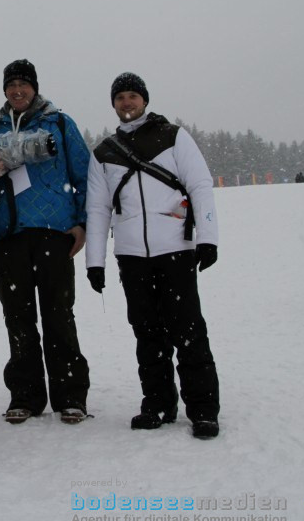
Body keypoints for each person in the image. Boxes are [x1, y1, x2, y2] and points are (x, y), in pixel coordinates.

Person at [85, 73, 221, 438]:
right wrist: (94, 261)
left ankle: (203, 409)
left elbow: (200, 185)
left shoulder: (174, 136)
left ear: (144, 100)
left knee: (188, 331)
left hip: (175, 249)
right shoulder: (104, 153)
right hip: (131, 256)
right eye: (120, 97)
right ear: (113, 104)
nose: (127, 102)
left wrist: (207, 238)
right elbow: (97, 210)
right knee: (147, 333)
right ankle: (158, 403)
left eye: (133, 96)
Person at [0, 59, 92, 425]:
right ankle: (25, 395)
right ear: (4, 90)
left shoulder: (60, 124)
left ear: (35, 87)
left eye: (23, 84)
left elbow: (84, 176)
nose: (17, 91)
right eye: (11, 85)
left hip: (55, 234)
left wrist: (82, 224)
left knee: (58, 315)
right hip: (10, 237)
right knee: (18, 319)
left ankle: (70, 396)